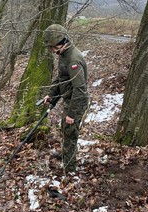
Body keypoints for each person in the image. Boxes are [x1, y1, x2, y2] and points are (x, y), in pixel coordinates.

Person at [43, 24, 89, 173]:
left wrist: (72, 113)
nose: (52, 50)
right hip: (69, 99)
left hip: (76, 102)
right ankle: (65, 154)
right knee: (65, 129)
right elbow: (61, 78)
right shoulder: (64, 55)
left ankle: (69, 169)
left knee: (70, 133)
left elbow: (80, 90)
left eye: (53, 47)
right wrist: (51, 95)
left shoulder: (73, 60)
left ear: (63, 42)